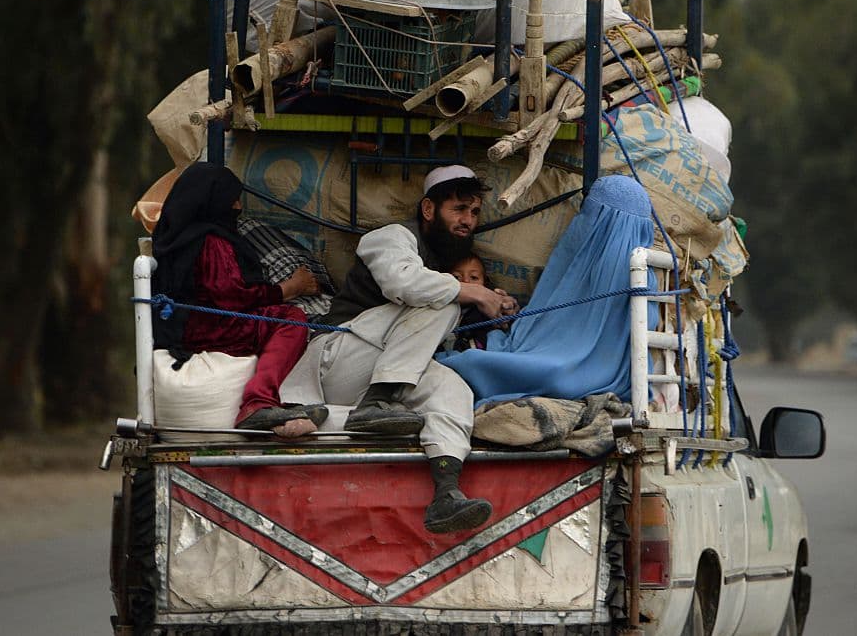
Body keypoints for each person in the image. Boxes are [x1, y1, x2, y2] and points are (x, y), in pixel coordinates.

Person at [279, 165, 517, 534]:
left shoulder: (445, 265)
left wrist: (495, 305)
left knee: (453, 390)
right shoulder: (390, 237)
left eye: (473, 212)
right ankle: (375, 404)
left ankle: (446, 492)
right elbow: (404, 284)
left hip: (386, 374)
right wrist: (473, 293)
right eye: (458, 210)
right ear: (428, 209)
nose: (467, 220)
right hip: (337, 356)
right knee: (443, 300)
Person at [437, 174, 658, 405]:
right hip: (605, 373)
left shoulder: (587, 255)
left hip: (562, 370)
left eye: (590, 212)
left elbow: (550, 318)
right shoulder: (644, 271)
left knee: (472, 363)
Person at [152, 162, 328, 439]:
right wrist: (289, 289)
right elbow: (232, 298)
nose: (237, 206)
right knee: (291, 319)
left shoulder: (172, 236)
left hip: (181, 329)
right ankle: (258, 402)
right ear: (215, 201)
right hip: (213, 329)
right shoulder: (212, 241)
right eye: (232, 199)